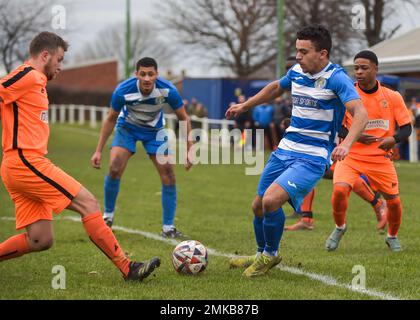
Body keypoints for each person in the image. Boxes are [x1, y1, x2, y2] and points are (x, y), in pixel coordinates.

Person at [0, 32, 160, 281]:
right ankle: (128, 268)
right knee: (89, 203)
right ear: (45, 55)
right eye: (59, 60)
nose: (60, 67)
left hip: (18, 166)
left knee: (40, 239)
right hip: (26, 162)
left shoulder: (37, 82)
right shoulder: (28, 75)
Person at [226, 25, 368, 277]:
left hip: (312, 157)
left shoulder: (337, 78)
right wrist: (245, 105)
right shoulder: (296, 71)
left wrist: (345, 144)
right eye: (297, 51)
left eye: (304, 52)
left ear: (322, 54)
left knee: (270, 201)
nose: (298, 57)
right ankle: (261, 253)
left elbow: (361, 113)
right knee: (258, 205)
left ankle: (270, 255)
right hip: (284, 150)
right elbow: (275, 88)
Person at [90, 57, 193, 238]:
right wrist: (98, 150)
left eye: (150, 74)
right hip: (127, 128)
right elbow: (110, 119)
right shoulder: (122, 91)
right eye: (143, 74)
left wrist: (190, 149)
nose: (146, 78)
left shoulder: (168, 89)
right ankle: (107, 216)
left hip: (154, 131)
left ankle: (168, 228)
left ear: (156, 75)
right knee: (115, 167)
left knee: (168, 173)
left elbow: (183, 118)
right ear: (136, 74)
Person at [326, 50, 412, 252]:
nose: (359, 72)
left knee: (394, 202)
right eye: (356, 68)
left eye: (364, 68)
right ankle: (340, 227)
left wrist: (393, 139)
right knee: (339, 191)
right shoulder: (347, 95)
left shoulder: (392, 96)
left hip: (380, 158)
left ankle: (392, 237)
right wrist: (354, 135)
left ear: (376, 69)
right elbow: (336, 125)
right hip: (351, 155)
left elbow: (406, 128)